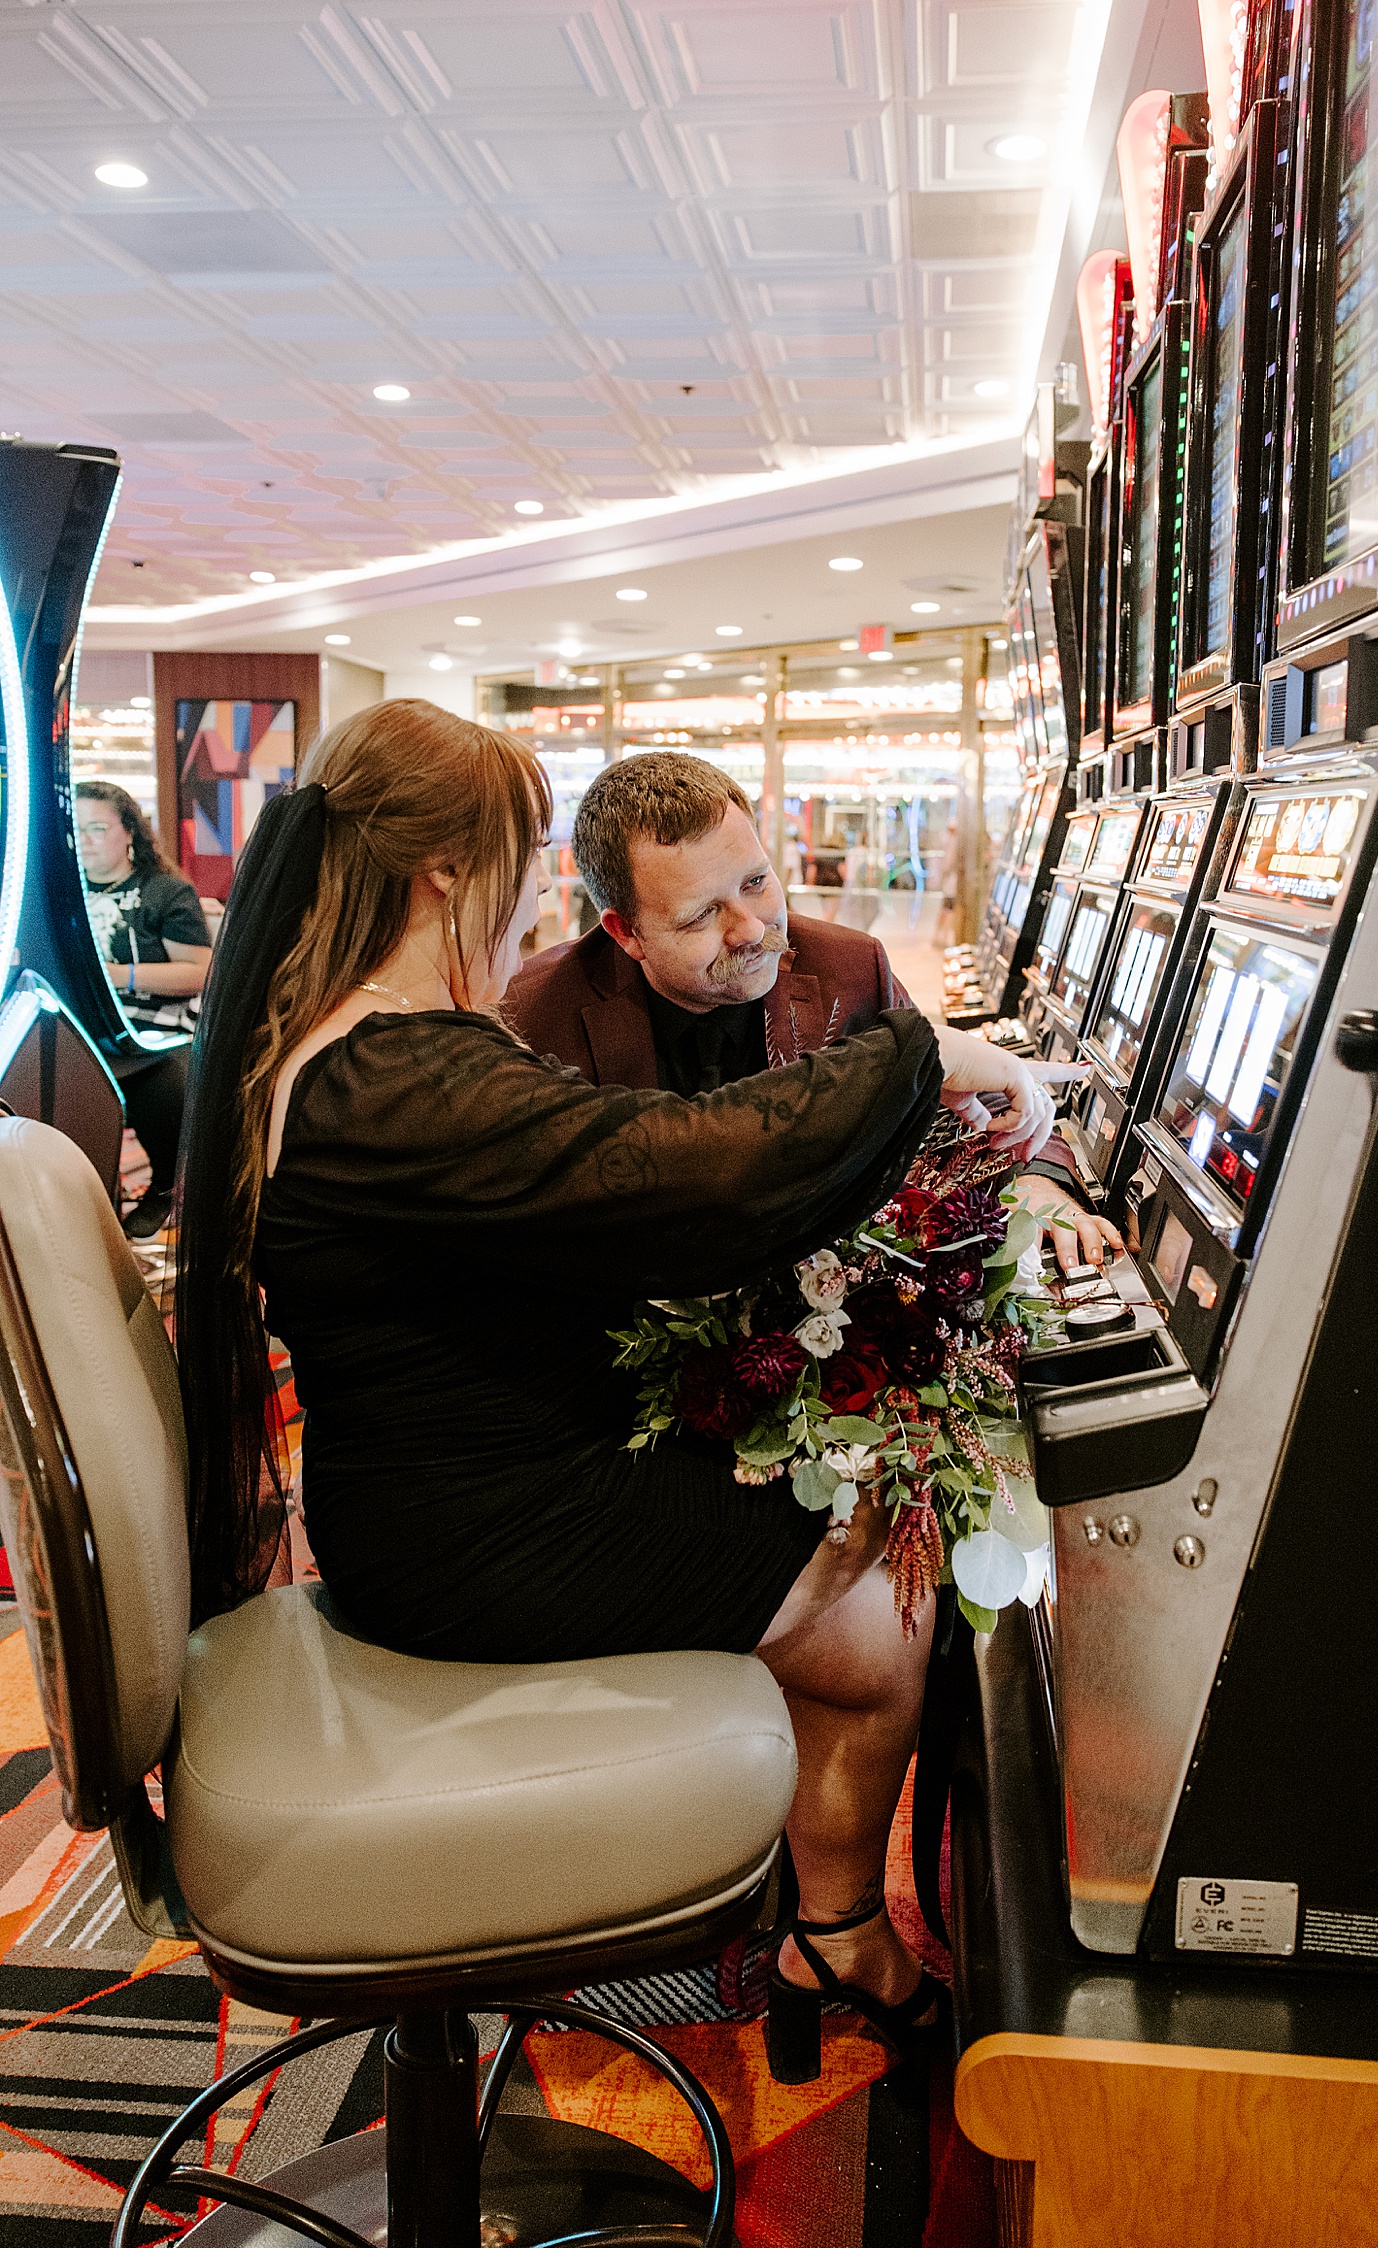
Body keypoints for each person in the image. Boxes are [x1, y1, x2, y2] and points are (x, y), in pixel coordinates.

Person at [175, 699, 1069, 2081]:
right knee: (892, 1584)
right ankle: (831, 1932)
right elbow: (672, 1175)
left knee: (850, 1520)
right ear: (440, 873)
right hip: (482, 1533)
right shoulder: (392, 1069)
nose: (535, 887)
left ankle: (813, 1916)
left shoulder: (364, 1042)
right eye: (525, 854)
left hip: (447, 1494)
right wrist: (919, 1058)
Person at [504, 751, 1119, 1266]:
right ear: (624, 932)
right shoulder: (534, 1018)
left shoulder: (846, 967)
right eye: (700, 914)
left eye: (756, 883)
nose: (752, 930)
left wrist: (1042, 1184)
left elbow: (983, 1109)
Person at [75, 781, 213, 1239]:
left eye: (97, 827)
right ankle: (80, 1197)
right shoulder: (60, 895)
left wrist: (116, 975)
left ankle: (168, 1190)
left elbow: (199, 971)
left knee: (164, 1078)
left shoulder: (164, 893)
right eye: (77, 829)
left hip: (159, 1028)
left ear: (129, 831)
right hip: (82, 1026)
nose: (85, 840)